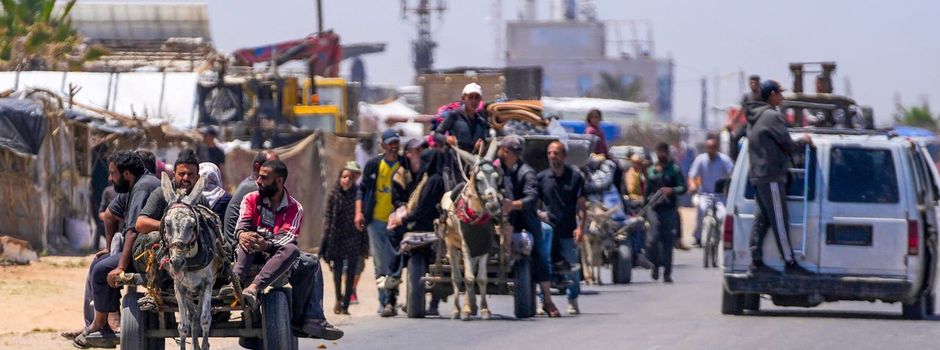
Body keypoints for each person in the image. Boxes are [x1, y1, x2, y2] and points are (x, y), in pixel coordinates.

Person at [232, 159, 343, 339]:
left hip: (276, 256)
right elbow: (242, 224)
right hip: (248, 252)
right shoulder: (251, 198)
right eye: (258, 176)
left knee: (297, 253)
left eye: (264, 178)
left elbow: (287, 238)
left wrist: (266, 244)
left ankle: (305, 318)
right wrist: (242, 234)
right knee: (248, 239)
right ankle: (235, 285)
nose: (258, 181)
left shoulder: (294, 207)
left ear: (279, 181)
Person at [73, 151, 160, 349]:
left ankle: (100, 324)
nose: (110, 178)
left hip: (149, 253)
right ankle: (106, 322)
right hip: (142, 249)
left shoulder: (142, 187)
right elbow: (109, 215)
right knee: (100, 263)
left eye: (113, 173)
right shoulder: (136, 185)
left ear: (127, 173)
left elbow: (133, 231)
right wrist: (109, 249)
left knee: (101, 270)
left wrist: (120, 266)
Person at [746, 80, 813, 275]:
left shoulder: (756, 116)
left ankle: (756, 262)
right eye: (780, 94)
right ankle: (789, 262)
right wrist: (805, 141)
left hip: (758, 175)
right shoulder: (772, 116)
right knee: (779, 219)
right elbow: (788, 145)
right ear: (772, 94)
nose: (782, 97)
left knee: (762, 219)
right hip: (771, 175)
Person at [498, 135, 560, 317]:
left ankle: (547, 299)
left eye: (505, 150)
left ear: (507, 152)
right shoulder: (497, 169)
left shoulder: (527, 173)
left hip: (525, 220)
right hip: (500, 220)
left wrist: (512, 205)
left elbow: (532, 198)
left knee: (540, 255)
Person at [355, 129, 411, 317]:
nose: (394, 146)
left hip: (399, 222)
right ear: (383, 145)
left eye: (396, 142)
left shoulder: (404, 163)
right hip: (376, 221)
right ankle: (384, 301)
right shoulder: (374, 165)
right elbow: (362, 190)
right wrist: (359, 213)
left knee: (397, 262)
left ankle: (394, 300)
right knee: (380, 264)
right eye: (390, 143)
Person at [537, 140, 587, 315]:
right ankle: (543, 301)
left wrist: (580, 228)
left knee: (571, 268)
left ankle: (572, 300)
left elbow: (582, 206)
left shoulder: (575, 177)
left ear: (564, 156)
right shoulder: (542, 178)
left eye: (556, 153)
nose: (552, 156)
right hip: (547, 232)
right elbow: (536, 203)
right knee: (544, 266)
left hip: (568, 230)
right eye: (550, 153)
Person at [321, 162, 367, 315]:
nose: (346, 180)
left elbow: (362, 219)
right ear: (339, 178)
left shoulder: (357, 196)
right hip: (337, 238)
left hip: (353, 238)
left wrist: (364, 243)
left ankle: (346, 304)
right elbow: (328, 219)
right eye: (344, 177)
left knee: (351, 271)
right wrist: (325, 242)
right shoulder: (333, 195)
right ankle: (338, 299)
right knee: (337, 272)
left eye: (349, 177)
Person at [645, 142, 687, 283]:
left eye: (662, 152)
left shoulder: (674, 170)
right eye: (658, 152)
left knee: (668, 242)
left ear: (667, 153)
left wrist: (671, 190)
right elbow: (647, 192)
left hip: (669, 210)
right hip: (654, 209)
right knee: (653, 239)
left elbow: (683, 188)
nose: (660, 155)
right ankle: (655, 265)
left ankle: (667, 273)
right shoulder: (651, 170)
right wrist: (644, 209)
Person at [224, 150, 279, 241]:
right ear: (258, 167)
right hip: (238, 243)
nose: (277, 172)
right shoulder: (254, 188)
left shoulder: (254, 185)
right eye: (272, 167)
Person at [688, 138, 734, 247]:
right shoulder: (700, 159)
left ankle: (723, 239)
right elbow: (692, 175)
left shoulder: (724, 160)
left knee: (723, 215)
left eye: (712, 148)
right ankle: (698, 237)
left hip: (720, 195)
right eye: (708, 148)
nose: (710, 150)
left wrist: (730, 188)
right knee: (702, 210)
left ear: (716, 148)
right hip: (705, 194)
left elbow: (733, 174)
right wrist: (692, 185)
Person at [435, 82, 490, 153]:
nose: (474, 101)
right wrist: (446, 139)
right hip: (454, 157)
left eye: (477, 97)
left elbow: (485, 141)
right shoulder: (454, 115)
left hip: (473, 158)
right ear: (463, 99)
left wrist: (482, 145)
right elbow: (436, 135)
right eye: (470, 97)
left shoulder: (481, 122)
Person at [726, 75, 762, 161]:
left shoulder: (763, 95)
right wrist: (732, 122)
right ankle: (734, 160)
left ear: (758, 84)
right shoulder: (747, 96)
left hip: (760, 123)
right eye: (751, 83)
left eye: (755, 83)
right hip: (749, 123)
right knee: (735, 137)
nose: (753, 85)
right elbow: (741, 110)